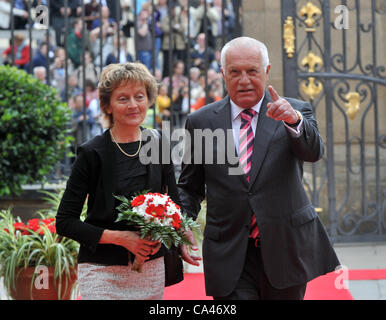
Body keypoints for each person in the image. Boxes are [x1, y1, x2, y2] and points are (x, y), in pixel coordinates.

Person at [177, 36, 340, 300]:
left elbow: (313, 152)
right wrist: (182, 223)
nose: (244, 80)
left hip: (285, 248)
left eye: (252, 71)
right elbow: (190, 185)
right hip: (230, 251)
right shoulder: (201, 121)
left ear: (266, 71)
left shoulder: (294, 111)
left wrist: (293, 121)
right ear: (223, 74)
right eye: (235, 72)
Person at [56, 62, 200, 300]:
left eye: (139, 96)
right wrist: (122, 239)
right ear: (107, 106)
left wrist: (180, 235)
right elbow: (65, 221)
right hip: (101, 270)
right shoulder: (92, 153)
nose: (134, 105)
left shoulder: (158, 143)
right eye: (123, 99)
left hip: (150, 269)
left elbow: (173, 204)